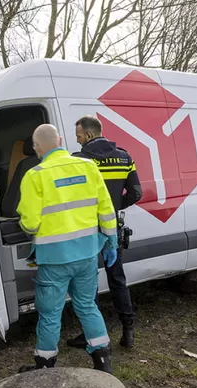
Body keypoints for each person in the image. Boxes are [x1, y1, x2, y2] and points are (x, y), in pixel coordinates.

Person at [16, 124, 119, 374]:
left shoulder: (35, 175)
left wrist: (24, 221)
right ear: (60, 140)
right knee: (87, 306)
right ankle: (102, 361)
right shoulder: (88, 166)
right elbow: (106, 209)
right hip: (87, 255)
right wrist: (111, 242)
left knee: (50, 313)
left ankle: (45, 363)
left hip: (54, 259)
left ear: (36, 147)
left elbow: (30, 222)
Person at [66, 115, 143, 350]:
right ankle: (128, 331)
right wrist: (115, 207)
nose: (77, 140)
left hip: (88, 230)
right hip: (112, 228)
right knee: (117, 279)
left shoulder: (79, 159)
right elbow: (136, 192)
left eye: (79, 136)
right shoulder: (124, 157)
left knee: (87, 283)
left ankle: (91, 333)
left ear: (88, 135)